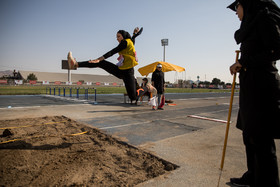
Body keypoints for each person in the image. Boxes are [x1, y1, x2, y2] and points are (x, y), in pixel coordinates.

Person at [228, 0, 280, 186]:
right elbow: (254, 52)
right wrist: (240, 64)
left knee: (261, 139)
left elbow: (275, 50)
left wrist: (245, 62)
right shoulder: (250, 24)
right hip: (251, 86)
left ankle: (267, 183)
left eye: (237, 6)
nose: (235, 12)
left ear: (247, 4)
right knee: (249, 134)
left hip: (263, 87)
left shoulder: (265, 16)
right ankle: (253, 176)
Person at [67, 27, 143, 102]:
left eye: (119, 36)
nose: (117, 39)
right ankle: (75, 64)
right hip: (120, 70)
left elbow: (112, 51)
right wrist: (134, 33)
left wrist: (99, 58)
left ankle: (148, 88)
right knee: (100, 63)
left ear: (124, 36)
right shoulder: (129, 42)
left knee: (133, 97)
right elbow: (133, 39)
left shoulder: (125, 42)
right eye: (116, 37)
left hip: (128, 72)